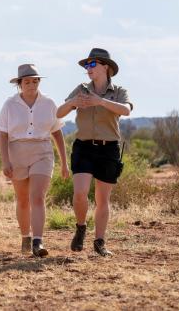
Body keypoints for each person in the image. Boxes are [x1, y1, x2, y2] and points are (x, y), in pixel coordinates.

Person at [56, 48, 133, 256]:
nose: (88, 69)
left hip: (109, 149)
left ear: (105, 66)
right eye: (86, 66)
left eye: (92, 64)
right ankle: (81, 227)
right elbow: (58, 112)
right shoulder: (81, 89)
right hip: (83, 147)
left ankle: (100, 242)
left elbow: (126, 110)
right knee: (80, 193)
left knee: (102, 199)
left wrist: (100, 102)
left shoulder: (118, 91)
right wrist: (72, 103)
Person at [0, 64, 69, 257]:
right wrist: (5, 161)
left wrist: (64, 162)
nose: (31, 84)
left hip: (42, 151)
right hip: (16, 151)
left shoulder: (49, 103)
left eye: (35, 81)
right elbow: (2, 135)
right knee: (22, 200)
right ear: (19, 84)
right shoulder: (9, 105)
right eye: (27, 81)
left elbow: (57, 133)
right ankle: (25, 236)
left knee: (37, 196)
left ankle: (38, 241)